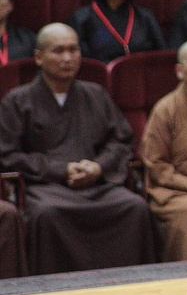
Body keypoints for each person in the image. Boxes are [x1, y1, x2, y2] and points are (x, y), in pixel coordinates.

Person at [0, 23, 156, 273]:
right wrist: (60, 170)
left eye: (74, 50)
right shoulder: (18, 101)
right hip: (48, 186)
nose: (68, 58)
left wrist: (98, 166)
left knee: (134, 207)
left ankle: (134, 282)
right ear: (39, 57)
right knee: (46, 214)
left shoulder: (96, 94)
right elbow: (8, 154)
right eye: (58, 51)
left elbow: (121, 140)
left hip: (98, 184)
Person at [143, 38, 187, 262]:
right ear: (179, 71)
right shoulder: (166, 109)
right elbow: (156, 164)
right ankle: (184, 283)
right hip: (177, 192)